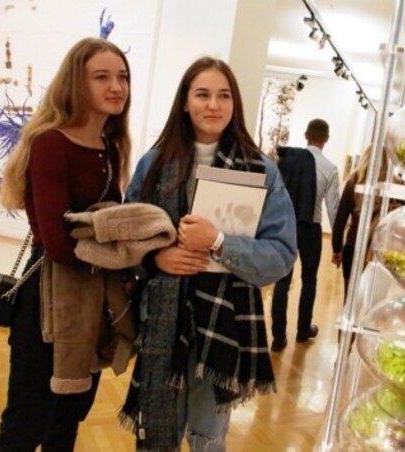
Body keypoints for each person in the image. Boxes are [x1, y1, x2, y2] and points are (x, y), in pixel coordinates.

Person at [120, 56, 296, 451]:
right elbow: (126, 237)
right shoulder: (154, 163)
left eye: (223, 96)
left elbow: (281, 257)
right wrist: (155, 259)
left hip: (224, 326)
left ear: (235, 104)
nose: (213, 105)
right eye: (202, 94)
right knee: (156, 437)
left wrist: (219, 242)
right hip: (162, 321)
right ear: (185, 102)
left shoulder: (260, 170)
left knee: (208, 439)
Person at [0, 37, 132, 451]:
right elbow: (58, 243)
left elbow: (102, 225)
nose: (116, 86)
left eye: (122, 77)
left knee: (67, 419)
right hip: (47, 301)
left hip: (91, 302)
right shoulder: (52, 143)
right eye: (102, 76)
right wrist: (121, 247)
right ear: (76, 82)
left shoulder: (109, 147)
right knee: (26, 421)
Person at [270, 118, 340, 351]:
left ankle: (278, 337)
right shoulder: (330, 168)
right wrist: (337, 245)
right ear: (326, 139)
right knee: (309, 280)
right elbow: (333, 208)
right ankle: (303, 330)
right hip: (311, 228)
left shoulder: (287, 160)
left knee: (282, 280)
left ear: (305, 135)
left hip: (286, 226)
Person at [331, 145, 399, 300]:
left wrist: (337, 249)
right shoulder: (393, 186)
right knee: (372, 299)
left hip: (353, 246)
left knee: (349, 299)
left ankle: (348, 324)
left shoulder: (354, 182)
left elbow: (340, 220)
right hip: (378, 250)